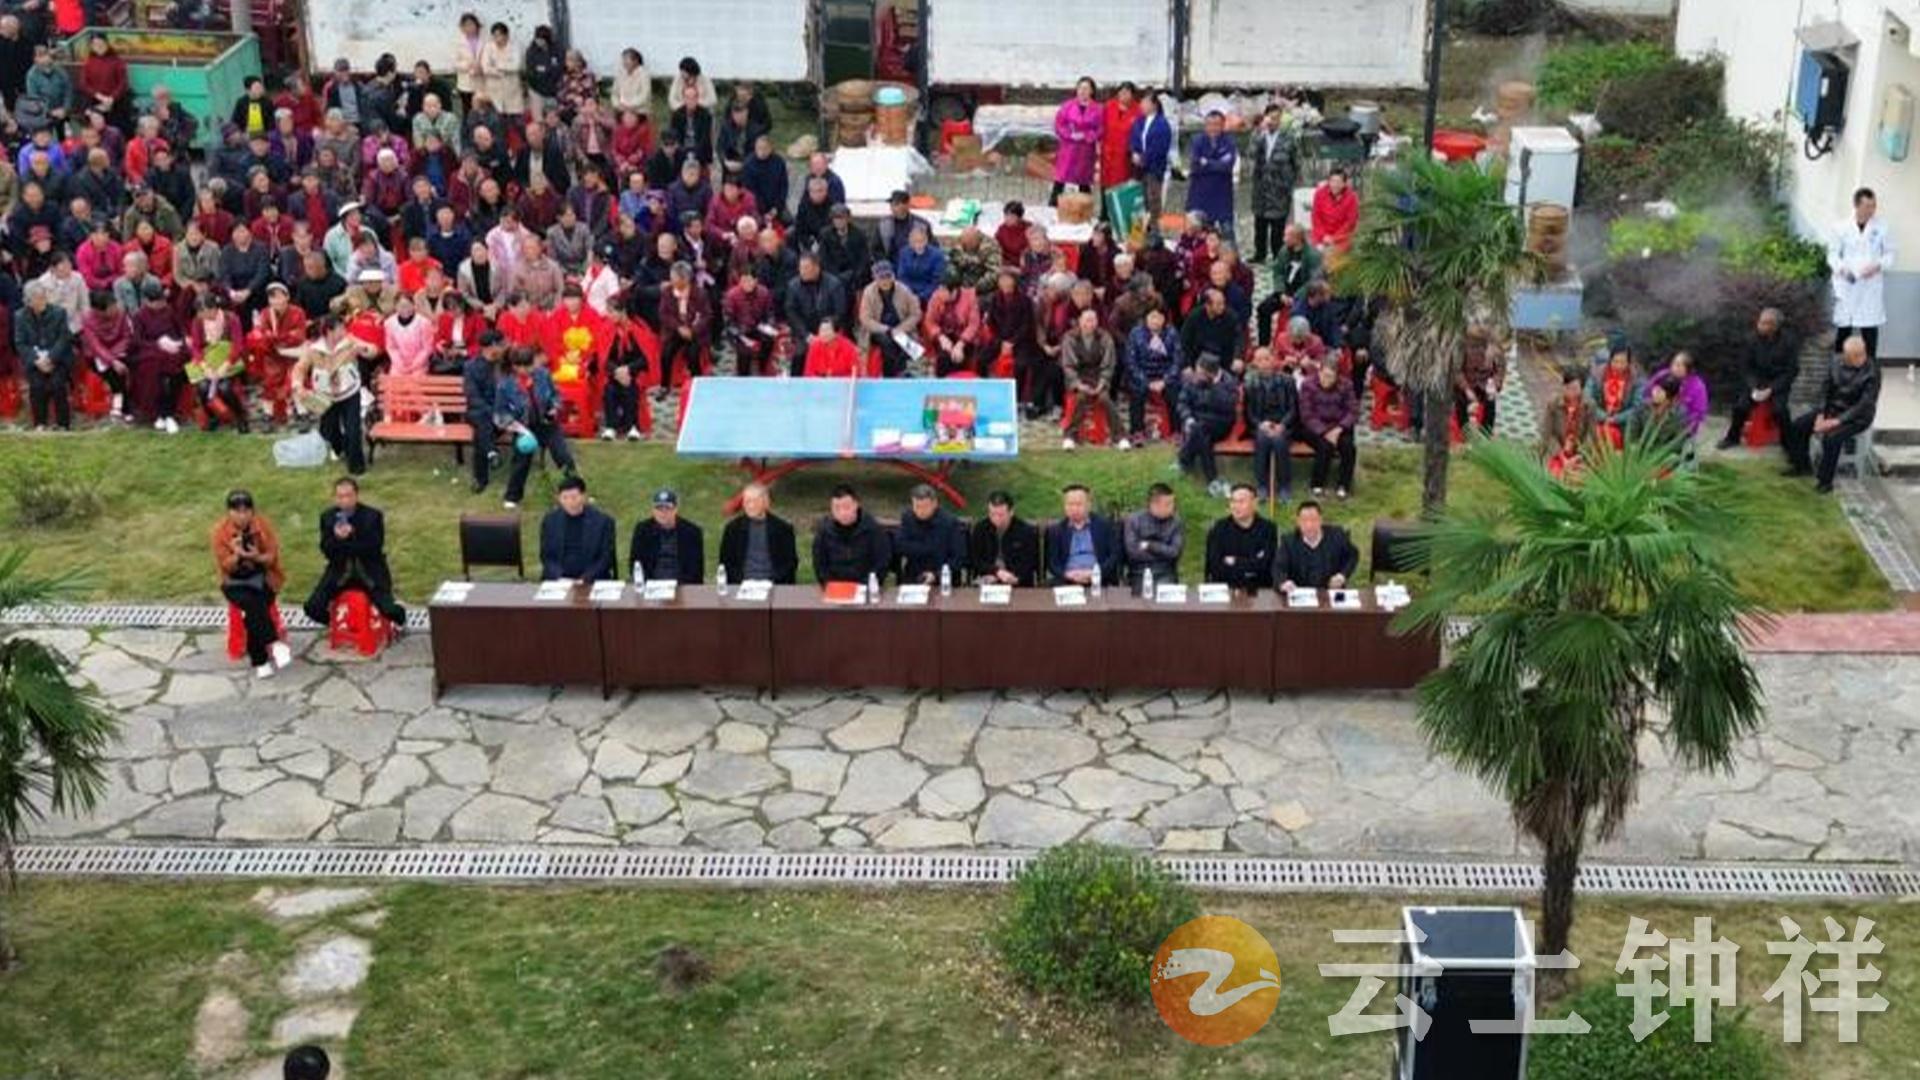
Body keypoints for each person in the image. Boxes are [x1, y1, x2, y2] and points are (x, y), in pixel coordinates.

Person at [302, 475, 407, 632]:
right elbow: (327, 550)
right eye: (340, 496)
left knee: (389, 609)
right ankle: (337, 625)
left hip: (369, 572)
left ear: (356, 496)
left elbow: (374, 547)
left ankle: (400, 615)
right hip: (340, 571)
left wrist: (351, 536)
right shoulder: (328, 517)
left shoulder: (372, 516)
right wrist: (337, 538)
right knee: (312, 607)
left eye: (348, 496)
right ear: (335, 498)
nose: (345, 501)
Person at [1785, 334, 1881, 494]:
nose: (1858, 359)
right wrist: (1821, 414)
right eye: (1852, 356)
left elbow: (1864, 404)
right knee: (1798, 426)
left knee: (1831, 438)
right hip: (1832, 409)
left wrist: (1836, 421)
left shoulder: (1873, 371)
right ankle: (1802, 465)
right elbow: (1825, 390)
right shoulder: (1835, 362)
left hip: (1857, 417)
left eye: (1860, 355)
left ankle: (1825, 481)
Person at [212, 489, 292, 679]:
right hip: (235, 582)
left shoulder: (262, 526)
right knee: (252, 603)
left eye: (246, 511)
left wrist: (256, 556)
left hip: (262, 577)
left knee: (254, 610)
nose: (242, 516)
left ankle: (261, 661)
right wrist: (236, 555)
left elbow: (272, 557)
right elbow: (224, 565)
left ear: (252, 511)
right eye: (237, 511)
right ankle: (274, 643)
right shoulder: (220, 532)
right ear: (229, 512)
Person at [496, 346, 576, 509]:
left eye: (529, 366)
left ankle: (576, 490)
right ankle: (512, 496)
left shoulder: (543, 374)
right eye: (521, 367)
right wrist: (519, 429)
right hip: (523, 427)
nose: (526, 370)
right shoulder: (505, 385)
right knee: (521, 461)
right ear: (515, 366)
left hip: (547, 424)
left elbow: (556, 395)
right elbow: (500, 414)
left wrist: (554, 408)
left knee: (563, 456)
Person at [1719, 307, 1800, 451]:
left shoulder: (1789, 342)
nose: (1760, 325)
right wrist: (1754, 386)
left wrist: (1772, 389)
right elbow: (1745, 367)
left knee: (1780, 411)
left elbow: (1791, 371)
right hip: (1756, 382)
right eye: (1760, 321)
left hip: (1777, 383)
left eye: (1765, 323)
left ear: (1775, 326)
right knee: (1740, 407)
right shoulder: (1751, 339)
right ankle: (1732, 437)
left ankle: (1788, 443)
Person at [1828, 186, 1894, 358]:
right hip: (1847, 284)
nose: (1871, 210)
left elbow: (1890, 254)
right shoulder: (1840, 227)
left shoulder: (1882, 227)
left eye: (1873, 206)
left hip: (1870, 285)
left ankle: (1870, 368)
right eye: (1867, 206)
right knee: (1844, 329)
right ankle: (1839, 367)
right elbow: (1832, 255)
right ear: (1856, 205)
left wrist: (1877, 266)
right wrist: (1842, 269)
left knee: (1869, 329)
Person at [1177, 355, 1238, 497]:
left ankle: (1183, 460)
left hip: (1220, 423)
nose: (1196, 375)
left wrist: (1214, 386)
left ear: (1210, 373)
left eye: (1200, 373)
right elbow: (1182, 403)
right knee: (1203, 436)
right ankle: (1212, 480)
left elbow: (1227, 408)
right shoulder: (1192, 380)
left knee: (1199, 430)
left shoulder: (1228, 382)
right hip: (1197, 424)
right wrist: (1188, 418)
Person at [1243, 345, 1298, 501]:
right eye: (1259, 360)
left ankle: (1284, 485)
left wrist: (1282, 425)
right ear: (1254, 363)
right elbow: (1249, 413)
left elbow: (1293, 409)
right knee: (1262, 439)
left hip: (1284, 424)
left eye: (1267, 359)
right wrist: (1260, 425)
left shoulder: (1287, 381)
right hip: (1261, 425)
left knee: (1279, 440)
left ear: (1273, 360)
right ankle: (1262, 485)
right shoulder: (1250, 383)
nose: (1264, 363)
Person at [16, 277, 72, 429]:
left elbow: (64, 339)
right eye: (37, 299)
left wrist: (50, 358)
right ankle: (40, 423)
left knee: (57, 384)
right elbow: (20, 343)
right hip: (35, 361)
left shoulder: (59, 313)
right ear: (28, 301)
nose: (42, 302)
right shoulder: (20, 316)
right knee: (37, 385)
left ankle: (63, 424)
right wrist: (36, 360)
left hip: (57, 360)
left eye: (43, 297)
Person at [538, 475, 617, 581]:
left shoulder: (603, 522)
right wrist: (559, 576)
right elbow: (546, 556)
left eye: (574, 497)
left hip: (592, 579)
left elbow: (605, 558)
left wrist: (586, 578)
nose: (570, 502)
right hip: (559, 580)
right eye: (565, 498)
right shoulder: (550, 521)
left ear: (583, 496)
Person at [719, 481, 799, 583]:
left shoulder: (783, 529)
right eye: (747, 502)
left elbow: (790, 563)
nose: (751, 506)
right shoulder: (733, 529)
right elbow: (726, 563)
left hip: (774, 583)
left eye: (755, 501)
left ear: (766, 503)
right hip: (742, 583)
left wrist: (773, 580)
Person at [1298, 360, 1357, 499]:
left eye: (1331, 377)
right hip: (1314, 426)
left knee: (1348, 447)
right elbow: (1306, 414)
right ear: (1319, 372)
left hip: (1338, 426)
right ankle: (1317, 484)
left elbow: (1353, 411)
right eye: (1324, 375)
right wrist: (1324, 431)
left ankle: (1343, 485)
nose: (1327, 380)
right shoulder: (1307, 385)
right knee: (1325, 446)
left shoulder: (1346, 385)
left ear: (1337, 376)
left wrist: (1339, 428)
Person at [1248, 105, 1300, 263]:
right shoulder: (1259, 135)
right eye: (1270, 118)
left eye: (1276, 118)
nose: (1273, 122)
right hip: (1261, 189)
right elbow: (1251, 153)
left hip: (1279, 189)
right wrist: (1259, 132)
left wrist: (1289, 183)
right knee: (1260, 224)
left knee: (1278, 226)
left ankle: (1279, 255)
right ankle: (1260, 254)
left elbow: (1296, 163)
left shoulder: (1289, 138)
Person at [812, 484, 892, 584]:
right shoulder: (824, 532)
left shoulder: (873, 529)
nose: (842, 513)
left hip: (865, 586)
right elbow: (820, 565)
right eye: (837, 508)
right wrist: (829, 584)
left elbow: (882, 563)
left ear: (856, 505)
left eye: (846, 507)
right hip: (835, 586)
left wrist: (865, 585)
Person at [1124, 305, 1182, 442]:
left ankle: (1176, 431)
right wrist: (1146, 382)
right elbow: (1131, 362)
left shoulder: (1172, 333)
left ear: (1164, 319)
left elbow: (1178, 360)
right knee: (1136, 392)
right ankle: (1137, 431)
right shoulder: (1136, 333)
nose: (1155, 321)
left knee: (1174, 392)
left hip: (1164, 375)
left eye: (1159, 317)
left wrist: (1165, 380)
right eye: (1152, 317)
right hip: (1143, 375)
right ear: (1146, 318)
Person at [1205, 484, 1278, 593]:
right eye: (1233, 501)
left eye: (1241, 502)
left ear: (1254, 503)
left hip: (1259, 591)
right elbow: (1215, 568)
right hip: (1226, 591)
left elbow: (1266, 566)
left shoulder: (1268, 529)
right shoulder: (1219, 529)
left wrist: (1235, 561)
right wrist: (1251, 564)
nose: (1236, 506)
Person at [1274, 500, 1358, 593]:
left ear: (1321, 520)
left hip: (1330, 592)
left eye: (1314, 520)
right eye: (1304, 520)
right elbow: (1278, 568)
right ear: (1298, 522)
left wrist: (1342, 576)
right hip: (1299, 594)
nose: (1309, 525)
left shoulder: (1337, 535)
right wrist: (1283, 582)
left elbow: (1352, 555)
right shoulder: (1288, 542)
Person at [1045, 484, 1121, 587]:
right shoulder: (1056, 530)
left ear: (1089, 505)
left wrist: (1095, 573)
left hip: (1099, 579)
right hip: (1067, 580)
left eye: (1079, 504)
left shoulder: (1104, 526)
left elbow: (1114, 555)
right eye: (1070, 504)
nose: (1074, 509)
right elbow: (1052, 563)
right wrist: (1067, 574)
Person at [857, 259, 921, 378]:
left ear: (893, 276)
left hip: (900, 328)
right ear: (875, 278)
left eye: (888, 276)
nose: (885, 281)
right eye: (881, 278)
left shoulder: (904, 290)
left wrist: (901, 328)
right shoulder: (868, 292)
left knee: (909, 346)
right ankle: (891, 375)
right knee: (887, 342)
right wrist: (886, 329)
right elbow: (865, 318)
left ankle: (901, 373)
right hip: (877, 330)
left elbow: (916, 314)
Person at [895, 483, 967, 585]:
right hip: (915, 575)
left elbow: (958, 557)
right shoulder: (908, 518)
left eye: (925, 507)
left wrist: (936, 575)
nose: (920, 511)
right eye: (917, 506)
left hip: (944, 578)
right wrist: (926, 548)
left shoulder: (949, 523)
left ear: (935, 504)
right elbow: (899, 545)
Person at [629, 488, 704, 584]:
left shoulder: (692, 532)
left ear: (676, 509)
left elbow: (696, 571)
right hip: (651, 585)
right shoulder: (643, 530)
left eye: (668, 508)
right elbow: (635, 565)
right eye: (659, 508)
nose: (663, 513)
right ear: (653, 510)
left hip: (681, 585)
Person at [969, 489, 1040, 587]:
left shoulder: (1026, 531)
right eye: (992, 514)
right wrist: (995, 572)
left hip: (1017, 581)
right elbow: (976, 560)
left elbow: (1030, 562)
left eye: (1001, 515)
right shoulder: (981, 529)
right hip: (988, 579)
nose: (996, 519)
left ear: (1011, 512)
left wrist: (1013, 577)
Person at [1186, 111, 1237, 241]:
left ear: (1223, 125)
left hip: (1222, 195)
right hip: (1200, 194)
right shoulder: (1197, 141)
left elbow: (1227, 166)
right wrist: (1216, 163)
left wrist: (1207, 162)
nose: (1213, 128)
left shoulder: (1229, 142)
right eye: (1209, 124)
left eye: (1216, 124)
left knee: (1227, 234)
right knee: (1199, 235)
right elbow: (1195, 164)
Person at [1051, 76, 1102, 205]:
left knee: (1084, 182)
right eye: (1080, 88)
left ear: (1092, 91)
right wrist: (1069, 134)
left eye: (1086, 88)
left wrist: (1087, 135)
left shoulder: (1098, 109)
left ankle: (1085, 209)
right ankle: (1053, 206)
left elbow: (1101, 128)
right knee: (1060, 180)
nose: (1083, 91)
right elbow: (1059, 124)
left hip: (1085, 150)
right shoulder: (1067, 106)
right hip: (1069, 148)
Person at [1123, 483, 1184, 588]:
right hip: (1139, 572)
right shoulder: (1134, 521)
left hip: (1166, 572)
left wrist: (1149, 545)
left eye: (1173, 503)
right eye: (1168, 504)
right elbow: (1133, 553)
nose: (1173, 507)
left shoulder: (1176, 522)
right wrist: (1163, 552)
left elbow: (1174, 552)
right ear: (1154, 504)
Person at [1540, 366, 1595, 477]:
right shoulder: (1553, 404)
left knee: (1578, 478)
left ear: (1582, 388)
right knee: (1555, 475)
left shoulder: (1589, 406)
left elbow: (1590, 436)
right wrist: (1561, 456)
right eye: (1567, 387)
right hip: (1557, 451)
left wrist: (1579, 456)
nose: (1570, 392)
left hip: (1579, 454)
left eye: (1574, 388)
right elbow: (1547, 435)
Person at [1585, 344, 1642, 450]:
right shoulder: (1597, 374)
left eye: (1622, 362)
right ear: (1610, 360)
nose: (1618, 366)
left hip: (1623, 423)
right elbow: (1587, 397)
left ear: (1628, 363)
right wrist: (1603, 416)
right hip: (1599, 419)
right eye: (1615, 361)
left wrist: (1616, 419)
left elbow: (1637, 407)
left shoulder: (1635, 379)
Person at [1127, 92, 1174, 217]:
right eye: (1141, 103)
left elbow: (1159, 147)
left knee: (1153, 197)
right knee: (1140, 198)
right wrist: (1134, 152)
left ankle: (1154, 224)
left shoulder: (1162, 124)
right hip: (1138, 167)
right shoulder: (1139, 121)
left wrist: (1144, 158)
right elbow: (1134, 138)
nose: (1142, 105)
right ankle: (1143, 222)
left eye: (1145, 103)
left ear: (1154, 105)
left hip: (1154, 166)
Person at [1649, 351, 1708, 440]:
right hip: (1655, 421)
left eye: (1678, 365)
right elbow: (1647, 391)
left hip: (1681, 429)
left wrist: (1681, 426)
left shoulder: (1698, 387)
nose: (1674, 368)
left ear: (1688, 368)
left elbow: (1698, 414)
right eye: (1673, 363)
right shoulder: (1662, 375)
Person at [1454, 329, 1502, 437]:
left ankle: (1486, 432)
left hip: (1485, 386)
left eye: (1481, 345)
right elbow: (1457, 371)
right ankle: (1465, 431)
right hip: (1467, 384)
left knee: (1491, 401)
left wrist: (1494, 384)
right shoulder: (1461, 351)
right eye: (1474, 346)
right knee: (1460, 398)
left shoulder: (1494, 352)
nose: (1478, 349)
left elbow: (1499, 371)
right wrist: (1466, 389)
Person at [1310, 168, 1359, 252]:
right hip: (1322, 236)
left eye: (1338, 182)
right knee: (1317, 254)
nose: (1335, 185)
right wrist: (1323, 236)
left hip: (1341, 237)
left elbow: (1351, 222)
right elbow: (1316, 217)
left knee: (1335, 254)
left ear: (1344, 184)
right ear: (1328, 181)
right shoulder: (1319, 193)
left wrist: (1335, 238)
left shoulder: (1352, 197)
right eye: (1332, 181)